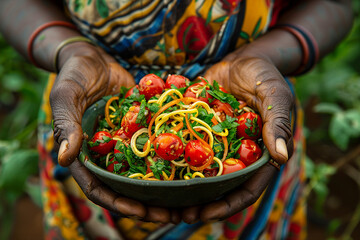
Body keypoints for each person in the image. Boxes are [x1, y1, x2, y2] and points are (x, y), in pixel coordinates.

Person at [0, 0, 354, 239]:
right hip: (86, 99)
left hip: (254, 100)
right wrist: (70, 51)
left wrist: (263, 57)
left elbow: (334, 3)